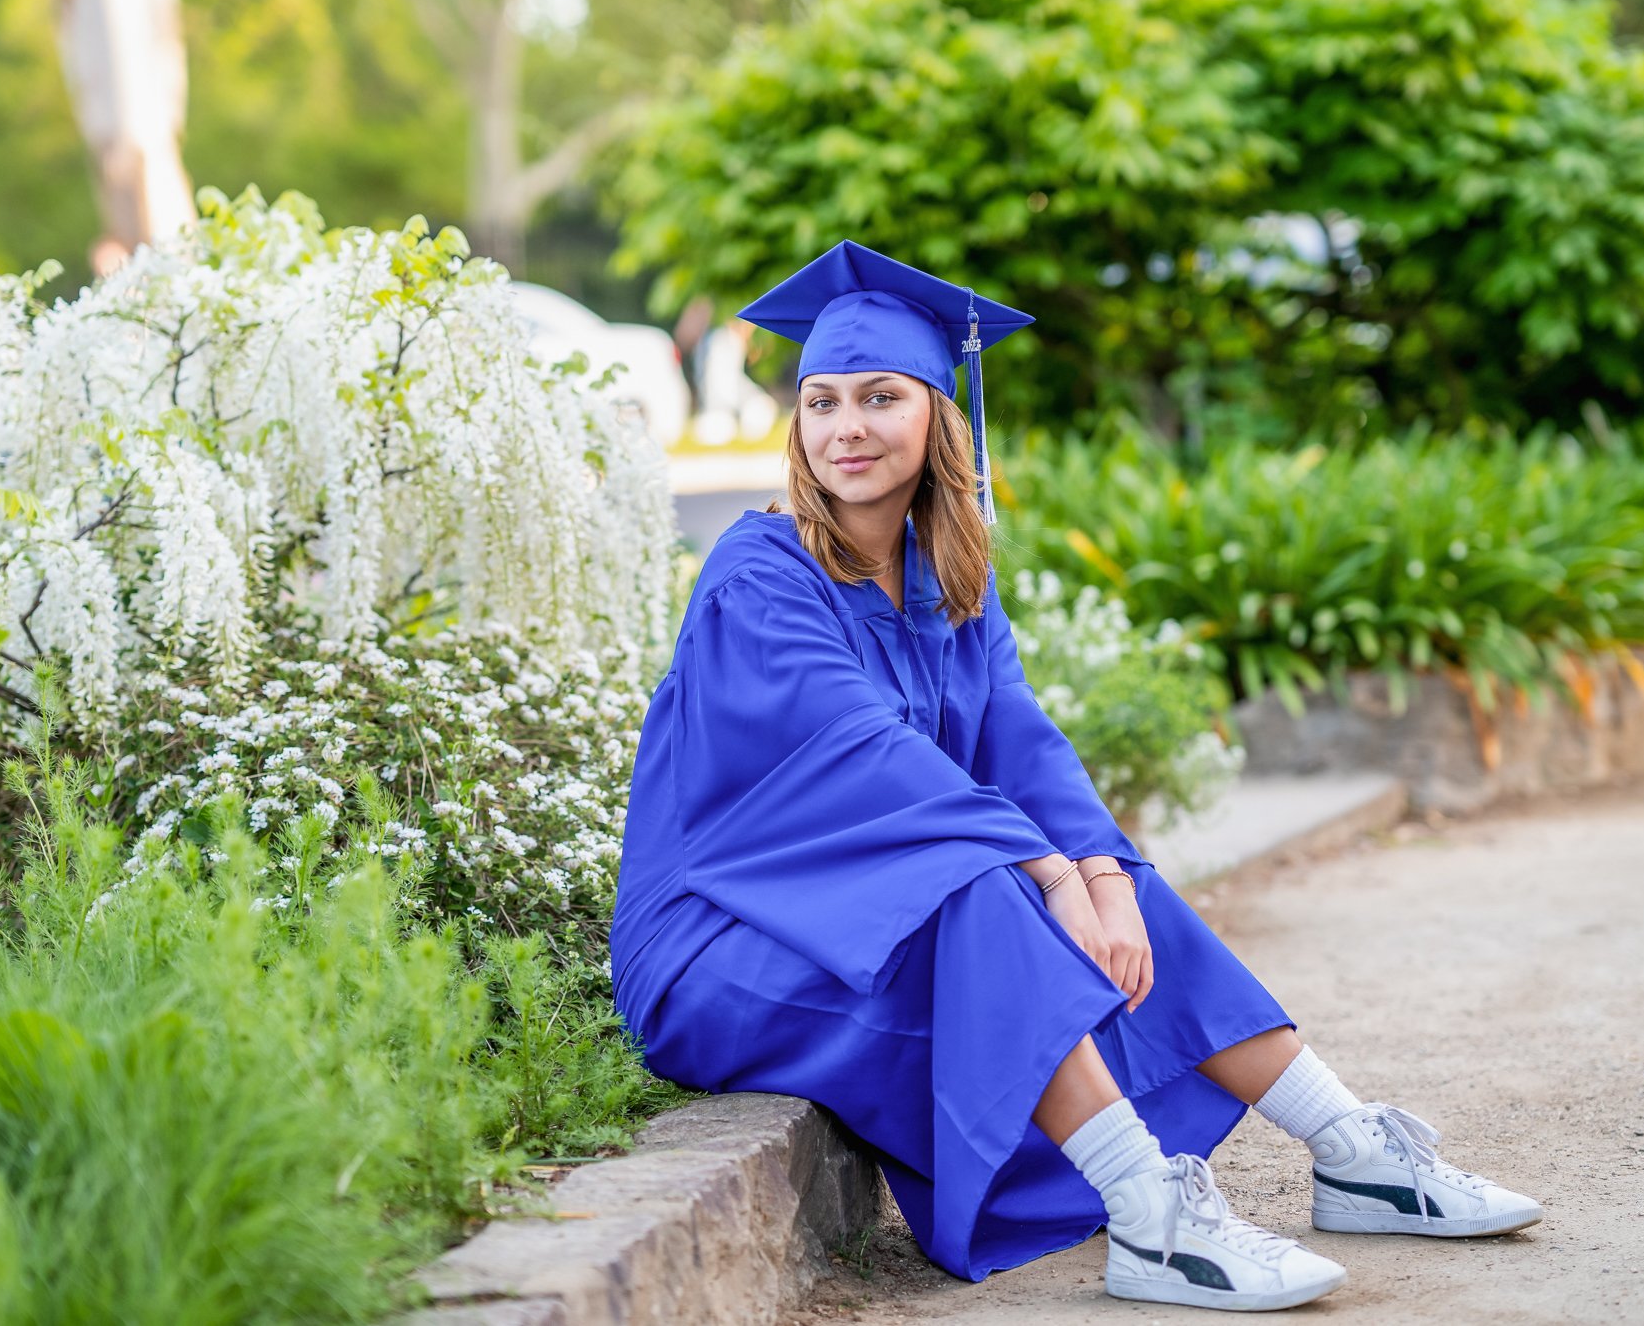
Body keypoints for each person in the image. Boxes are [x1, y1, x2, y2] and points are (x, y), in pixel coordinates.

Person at [609, 240, 1542, 1312]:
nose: (845, 428)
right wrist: (1050, 875)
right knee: (986, 892)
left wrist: (1095, 868)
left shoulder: (947, 582)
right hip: (721, 937)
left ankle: (1349, 1147)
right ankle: (1149, 1215)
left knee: (1110, 882)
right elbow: (866, 756)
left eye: (877, 397)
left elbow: (1023, 741)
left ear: (936, 420)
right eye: (820, 402)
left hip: (855, 910)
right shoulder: (757, 573)